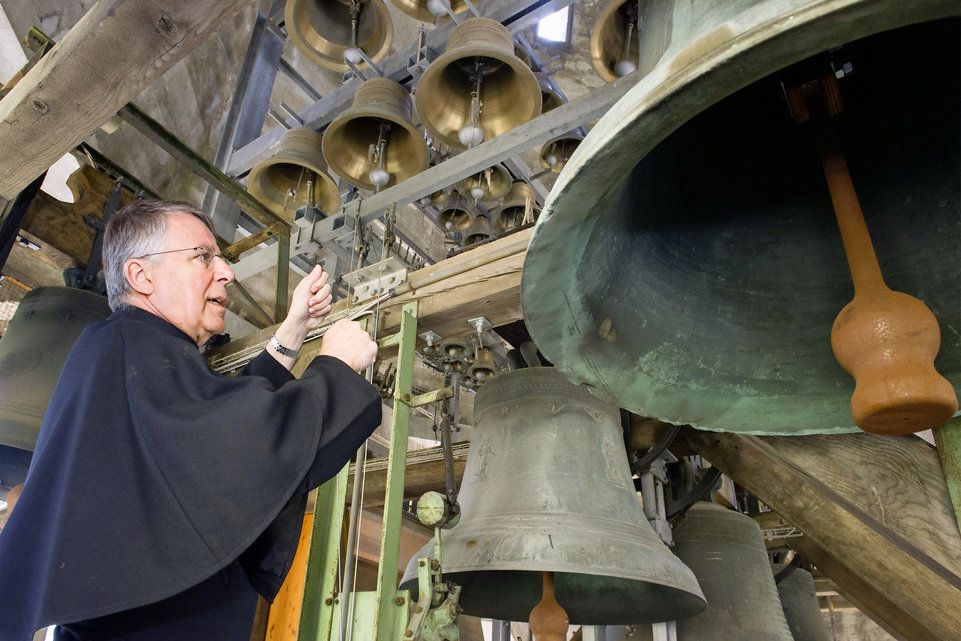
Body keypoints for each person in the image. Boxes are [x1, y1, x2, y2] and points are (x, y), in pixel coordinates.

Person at [0, 200, 381, 640]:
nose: (228, 272)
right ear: (141, 277)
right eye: (203, 256)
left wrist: (294, 330)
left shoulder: (130, 348)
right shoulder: (126, 342)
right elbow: (236, 447)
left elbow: (209, 427)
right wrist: (335, 367)